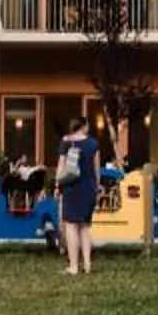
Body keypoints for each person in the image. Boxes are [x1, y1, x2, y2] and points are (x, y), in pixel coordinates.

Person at [54, 113, 103, 275]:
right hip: (88, 188)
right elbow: (96, 170)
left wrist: (57, 185)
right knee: (84, 227)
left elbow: (61, 167)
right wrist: (97, 188)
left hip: (71, 187)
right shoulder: (93, 144)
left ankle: (74, 266)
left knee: (71, 226)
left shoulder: (66, 142)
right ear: (84, 126)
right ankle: (88, 265)